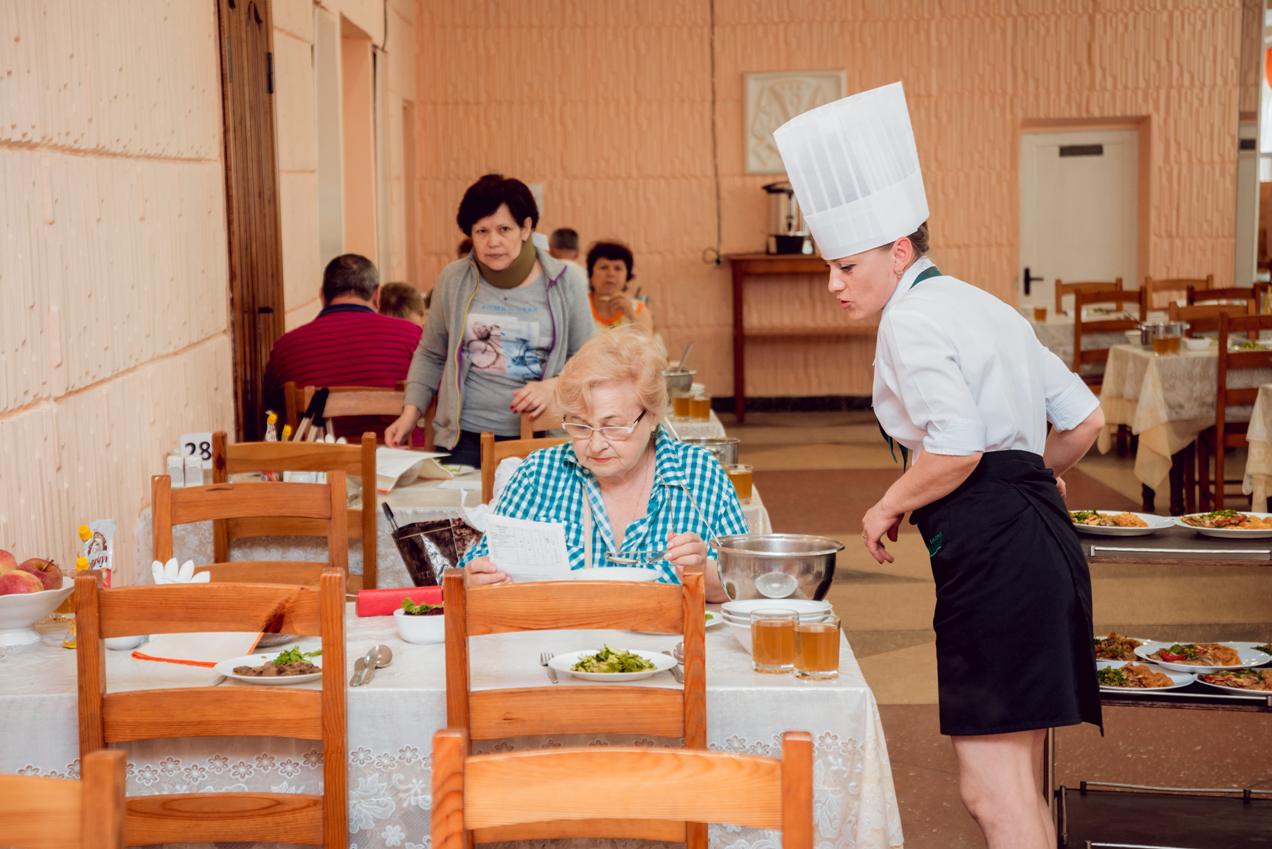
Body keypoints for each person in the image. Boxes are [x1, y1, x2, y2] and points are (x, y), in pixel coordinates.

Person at [774, 82, 1104, 849]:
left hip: (995, 559)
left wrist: (888, 501)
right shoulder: (985, 304)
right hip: (1039, 545)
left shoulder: (911, 318)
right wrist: (1030, 476)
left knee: (992, 792)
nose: (833, 284)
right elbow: (1085, 420)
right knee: (1015, 784)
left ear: (898, 251)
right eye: (828, 266)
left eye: (846, 266)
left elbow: (956, 446)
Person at [458, 328, 746, 602]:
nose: (595, 445)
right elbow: (469, 573)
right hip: (560, 636)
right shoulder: (537, 475)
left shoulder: (698, 474)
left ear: (652, 416)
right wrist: (474, 579)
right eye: (581, 426)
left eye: (613, 427)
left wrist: (704, 574)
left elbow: (746, 586)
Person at [386, 174, 594, 465]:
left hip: (541, 436)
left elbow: (589, 360)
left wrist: (552, 387)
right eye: (481, 231)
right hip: (464, 438)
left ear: (526, 228)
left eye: (504, 229)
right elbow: (431, 353)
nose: (492, 242)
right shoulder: (454, 278)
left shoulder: (564, 281)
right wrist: (411, 412)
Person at [262, 254, 421, 438]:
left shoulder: (285, 348)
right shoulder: (414, 337)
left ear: (322, 296)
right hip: (399, 453)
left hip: (318, 456)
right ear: (377, 296)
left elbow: (270, 418)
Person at [587, 240, 653, 332]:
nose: (611, 273)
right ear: (591, 274)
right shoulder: (579, 306)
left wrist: (631, 314)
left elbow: (646, 340)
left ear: (627, 276)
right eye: (604, 267)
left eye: (618, 268)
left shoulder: (639, 310)